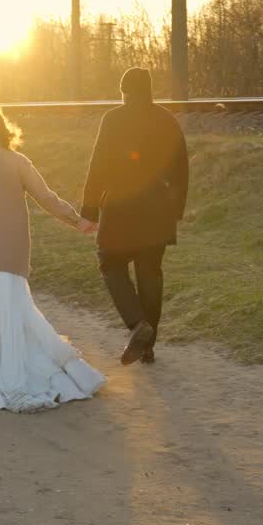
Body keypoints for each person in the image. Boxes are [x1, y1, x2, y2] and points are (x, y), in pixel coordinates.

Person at [0, 109, 106, 412]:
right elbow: (46, 198)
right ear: (6, 132)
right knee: (12, 312)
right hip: (10, 251)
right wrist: (77, 221)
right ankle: (26, 369)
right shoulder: (18, 162)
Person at [81, 68, 189, 366]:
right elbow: (181, 169)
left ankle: (137, 324)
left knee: (110, 262)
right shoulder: (167, 120)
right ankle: (148, 347)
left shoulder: (113, 119)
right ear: (150, 91)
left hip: (120, 210)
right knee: (150, 273)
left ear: (123, 91)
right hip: (158, 213)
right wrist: (176, 209)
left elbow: (98, 165)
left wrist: (89, 211)